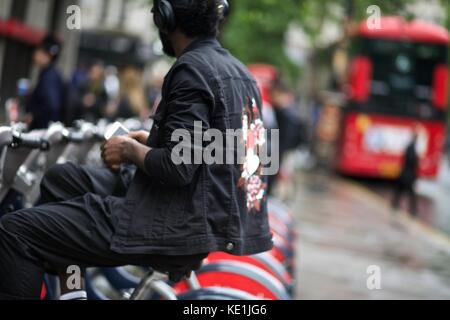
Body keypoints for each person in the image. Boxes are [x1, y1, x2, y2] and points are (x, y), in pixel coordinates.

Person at [0, 0, 273, 300]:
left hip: (168, 223)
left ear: (164, 16)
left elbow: (177, 168)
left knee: (15, 230)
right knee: (60, 178)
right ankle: (72, 290)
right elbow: (215, 155)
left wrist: (130, 150)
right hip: (199, 220)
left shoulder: (192, 70)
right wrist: (152, 142)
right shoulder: (239, 73)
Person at [25, 34, 64, 130]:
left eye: (39, 51)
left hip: (42, 131)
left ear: (47, 56)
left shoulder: (49, 77)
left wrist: (33, 116)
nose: (35, 54)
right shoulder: (49, 74)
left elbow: (52, 105)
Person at [392, 132, 420, 216]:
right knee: (411, 193)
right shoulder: (412, 148)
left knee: (400, 191)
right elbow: (412, 161)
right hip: (408, 174)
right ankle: (413, 209)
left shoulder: (410, 147)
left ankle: (395, 204)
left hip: (405, 173)